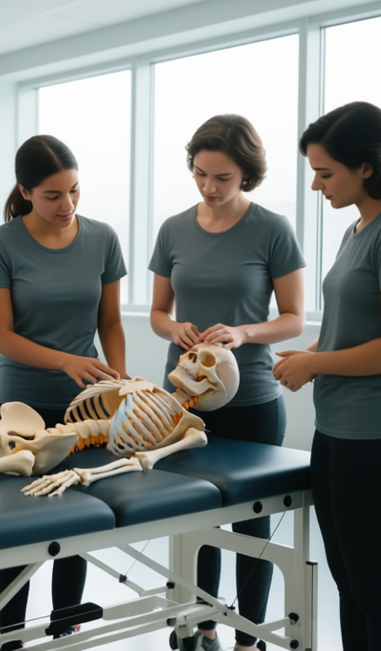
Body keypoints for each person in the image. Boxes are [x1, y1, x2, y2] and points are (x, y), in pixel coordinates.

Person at [273, 101, 381, 651]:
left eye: (326, 172)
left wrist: (313, 364)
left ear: (366, 166)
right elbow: (353, 325)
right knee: (349, 584)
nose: (318, 186)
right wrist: (312, 351)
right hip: (340, 429)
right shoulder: (360, 228)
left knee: (376, 589)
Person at [149, 114, 304, 651]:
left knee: (250, 525)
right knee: (193, 517)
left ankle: (250, 637)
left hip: (253, 399)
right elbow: (157, 313)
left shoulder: (272, 229)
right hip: (185, 399)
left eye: (222, 178)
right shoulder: (173, 228)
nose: (209, 188)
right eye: (199, 174)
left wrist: (243, 331)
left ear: (248, 176)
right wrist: (175, 328)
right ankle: (203, 624)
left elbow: (294, 318)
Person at [0, 134, 127, 650]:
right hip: (18, 407)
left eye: (75, 191)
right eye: (53, 196)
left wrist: (119, 384)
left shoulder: (103, 238)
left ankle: (66, 632)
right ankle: (10, 639)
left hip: (83, 409)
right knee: (17, 532)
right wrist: (66, 359)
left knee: (77, 524)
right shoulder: (0, 244)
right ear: (25, 192)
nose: (67, 206)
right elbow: (3, 338)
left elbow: (110, 321)